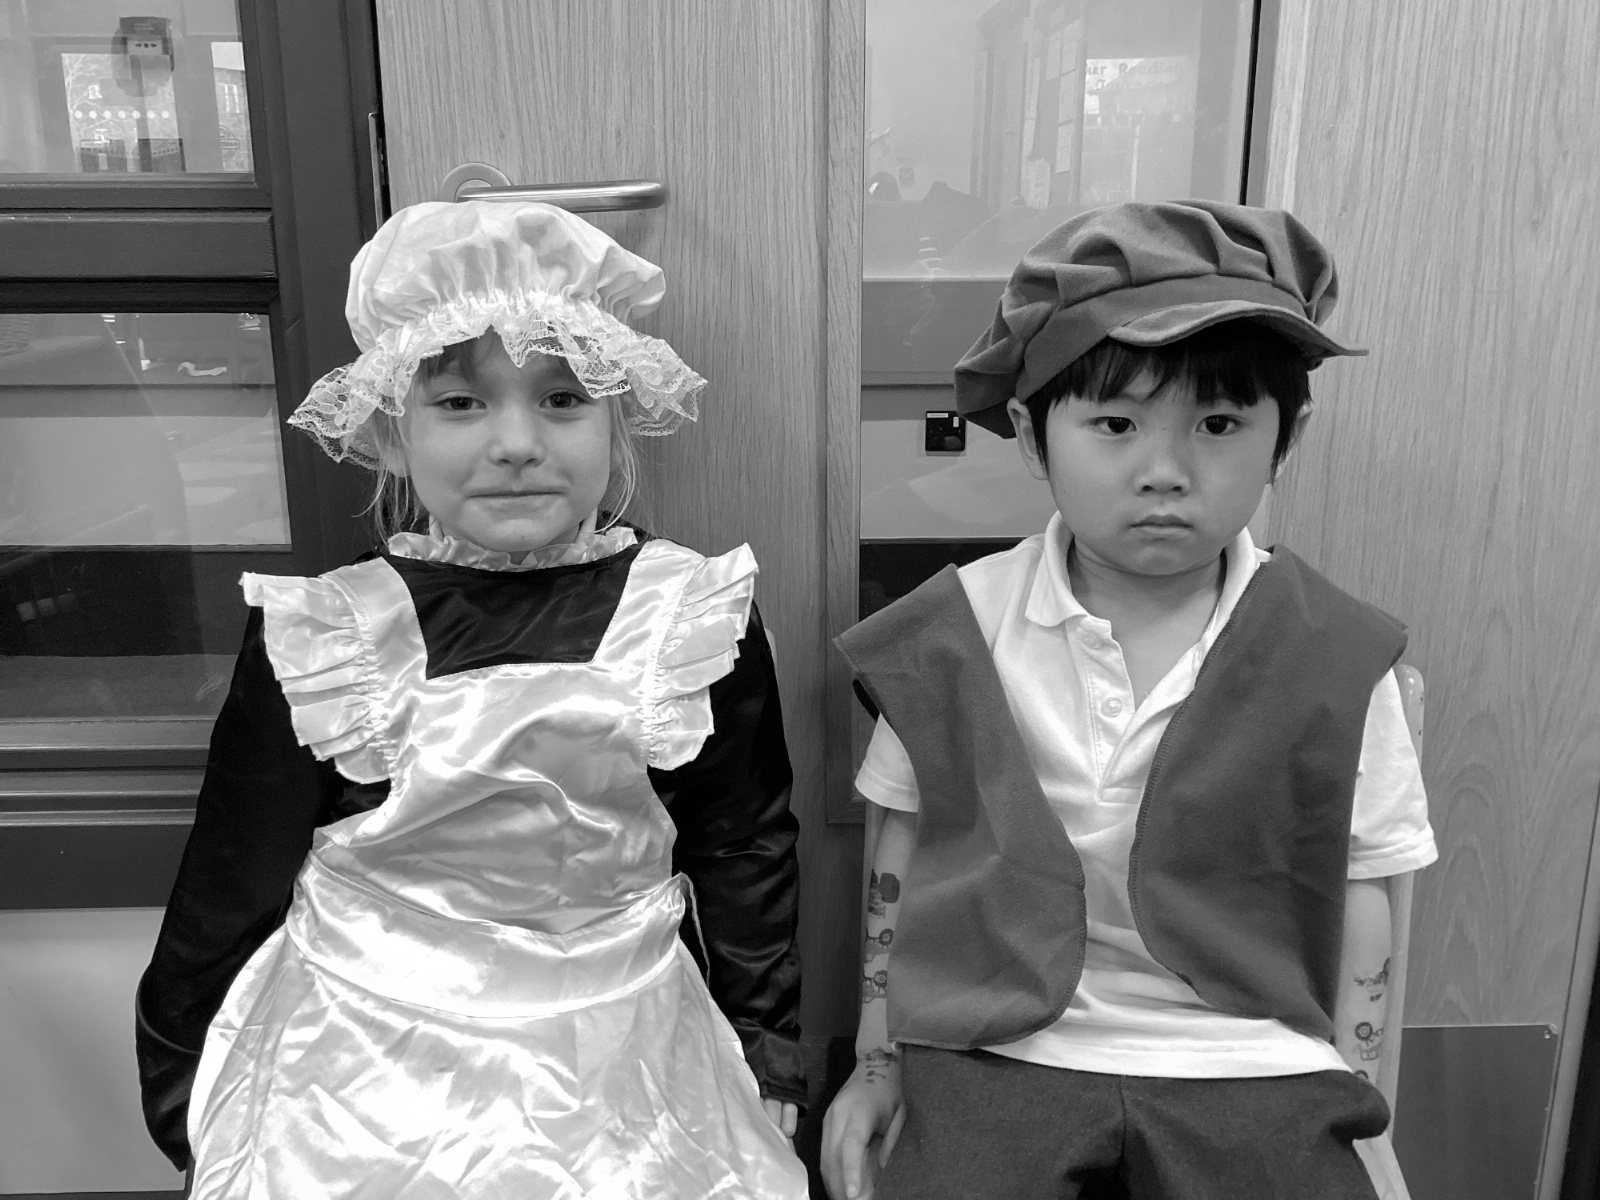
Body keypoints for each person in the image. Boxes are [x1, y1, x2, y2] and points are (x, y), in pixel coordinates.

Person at [135, 200, 810, 1199]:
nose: (516, 442)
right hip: (357, 1080)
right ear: (391, 434)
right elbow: (232, 878)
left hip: (622, 1064)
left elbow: (743, 846)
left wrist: (767, 1049)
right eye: (459, 403)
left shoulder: (691, 616)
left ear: (616, 419)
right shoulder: (328, 633)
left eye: (562, 398)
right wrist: (185, 1083)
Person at [820, 200, 1436, 1200]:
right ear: (1033, 435)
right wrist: (877, 1062)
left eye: (1219, 424)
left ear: (1288, 436)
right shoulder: (958, 628)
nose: (1164, 472)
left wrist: (1368, 1108)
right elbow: (902, 851)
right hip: (995, 1041)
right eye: (1114, 424)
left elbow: (1369, 891)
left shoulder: (1335, 652)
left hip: (1253, 1055)